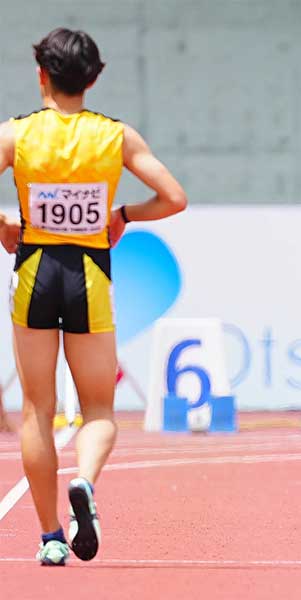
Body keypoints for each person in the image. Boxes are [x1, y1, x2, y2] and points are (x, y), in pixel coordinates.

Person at [0, 28, 187, 565]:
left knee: (37, 408)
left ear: (41, 76)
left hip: (34, 270)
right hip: (89, 274)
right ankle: (83, 479)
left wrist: (4, 225)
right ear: (94, 78)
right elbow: (174, 198)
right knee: (100, 409)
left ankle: (50, 536)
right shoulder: (115, 136)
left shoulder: (17, 135)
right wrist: (124, 215)